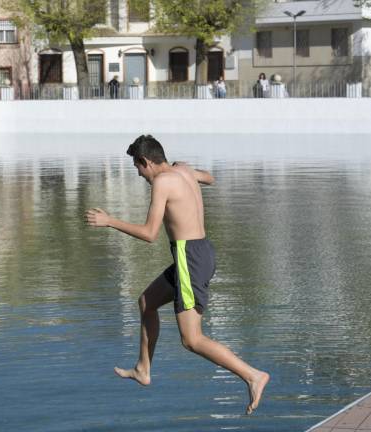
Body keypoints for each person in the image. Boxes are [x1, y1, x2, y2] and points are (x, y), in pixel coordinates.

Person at [85, 135, 270, 415]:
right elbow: (209, 178)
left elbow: (149, 234)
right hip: (201, 252)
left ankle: (253, 376)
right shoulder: (181, 170)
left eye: (138, 168)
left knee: (191, 340)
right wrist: (189, 171)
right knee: (146, 302)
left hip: (189, 258)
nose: (139, 174)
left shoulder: (162, 182)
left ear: (147, 161)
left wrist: (109, 221)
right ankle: (142, 369)